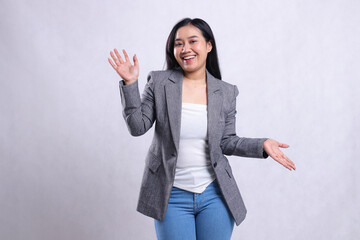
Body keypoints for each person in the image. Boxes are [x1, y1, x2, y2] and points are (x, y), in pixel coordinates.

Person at [108, 18, 296, 240]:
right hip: (171, 196)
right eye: (178, 44)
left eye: (192, 41)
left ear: (208, 45)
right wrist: (130, 84)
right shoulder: (159, 82)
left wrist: (262, 145)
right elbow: (137, 127)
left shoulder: (226, 92)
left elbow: (226, 141)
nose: (185, 49)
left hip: (215, 196)